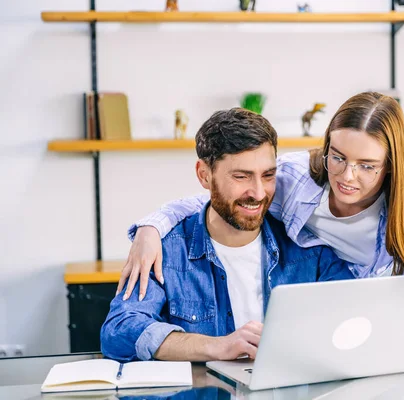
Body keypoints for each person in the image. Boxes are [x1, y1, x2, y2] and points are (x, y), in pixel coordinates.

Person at [118, 91, 404, 301]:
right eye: (338, 157)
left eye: (367, 166)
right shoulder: (297, 176)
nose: (346, 177)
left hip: (380, 314)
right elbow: (217, 198)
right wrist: (150, 229)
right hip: (324, 300)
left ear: (390, 166)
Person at [100, 108, 354, 362]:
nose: (258, 193)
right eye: (241, 177)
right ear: (204, 175)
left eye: (268, 175)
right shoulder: (166, 252)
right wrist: (216, 347)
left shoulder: (308, 248)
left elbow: (354, 322)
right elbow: (118, 332)